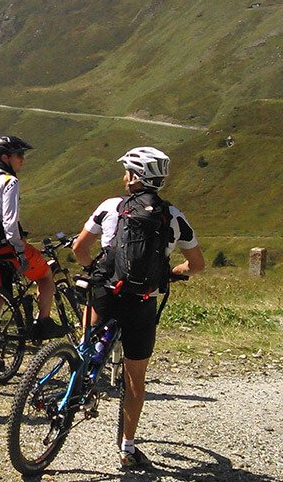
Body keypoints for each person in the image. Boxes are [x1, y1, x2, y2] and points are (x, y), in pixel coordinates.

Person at [71, 146, 204, 469]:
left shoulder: (110, 206)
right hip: (142, 302)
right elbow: (197, 264)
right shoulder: (173, 216)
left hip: (105, 291)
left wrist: (96, 270)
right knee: (135, 379)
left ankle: (78, 382)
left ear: (134, 176)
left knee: (85, 345)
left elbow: (79, 248)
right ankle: (127, 448)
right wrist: (171, 274)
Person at [0, 136, 69, 370]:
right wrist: (20, 251)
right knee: (46, 276)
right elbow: (10, 222)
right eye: (19, 155)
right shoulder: (9, 182)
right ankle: (43, 323)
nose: (22, 159)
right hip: (8, 247)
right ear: (6, 157)